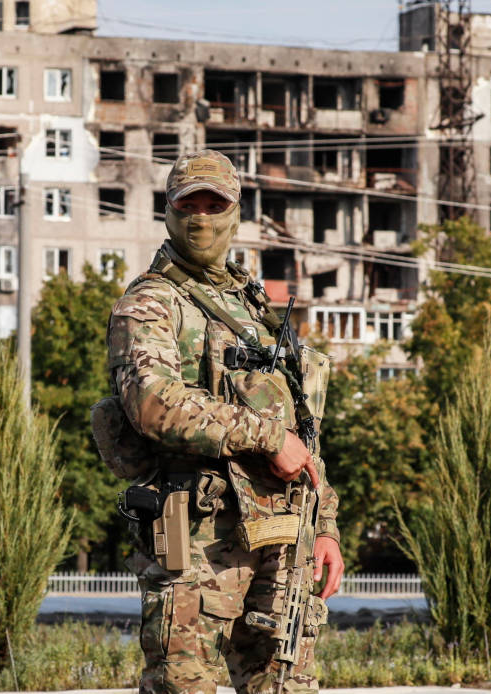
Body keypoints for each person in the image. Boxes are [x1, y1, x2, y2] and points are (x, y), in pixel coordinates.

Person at [105, 149, 344, 694]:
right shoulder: (151, 302)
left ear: (235, 213)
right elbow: (152, 402)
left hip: (284, 540)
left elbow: (302, 426)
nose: (202, 218)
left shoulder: (252, 305)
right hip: (199, 542)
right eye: (189, 205)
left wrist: (324, 524)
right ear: (169, 211)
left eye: (215, 206)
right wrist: (266, 437)